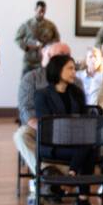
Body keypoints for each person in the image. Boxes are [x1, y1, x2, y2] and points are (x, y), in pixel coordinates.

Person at [33, 54, 100, 205]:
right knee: (88, 150)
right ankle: (82, 201)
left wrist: (74, 128)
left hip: (77, 144)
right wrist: (72, 128)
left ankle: (71, 178)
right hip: (52, 144)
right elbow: (47, 126)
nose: (74, 72)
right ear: (57, 70)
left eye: (74, 68)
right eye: (70, 68)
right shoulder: (42, 95)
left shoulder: (76, 92)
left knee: (89, 146)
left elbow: (84, 120)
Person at [15, 41, 71, 177]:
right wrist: (45, 129)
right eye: (60, 55)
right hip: (39, 128)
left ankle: (52, 176)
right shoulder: (32, 78)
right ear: (49, 57)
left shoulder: (74, 80)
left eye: (67, 55)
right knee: (21, 135)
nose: (65, 59)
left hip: (68, 130)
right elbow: (26, 109)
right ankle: (48, 174)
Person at [14, 0, 59, 76]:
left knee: (44, 85)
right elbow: (17, 39)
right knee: (26, 84)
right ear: (35, 9)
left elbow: (57, 40)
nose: (42, 14)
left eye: (44, 11)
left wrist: (48, 47)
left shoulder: (51, 26)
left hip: (44, 60)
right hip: (29, 61)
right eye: (40, 11)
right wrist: (26, 47)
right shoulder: (27, 24)